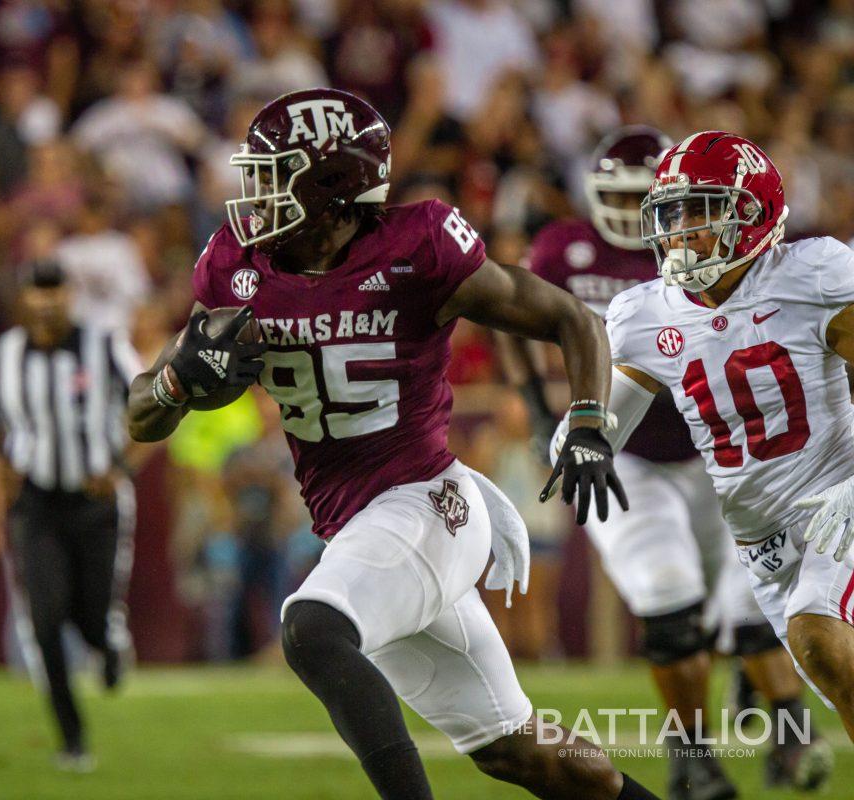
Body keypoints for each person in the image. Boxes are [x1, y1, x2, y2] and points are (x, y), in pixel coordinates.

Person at [128, 87, 659, 800]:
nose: (252, 191)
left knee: (313, 628)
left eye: (273, 171)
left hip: (427, 502)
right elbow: (140, 413)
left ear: (331, 184)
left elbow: (572, 320)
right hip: (361, 528)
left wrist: (590, 423)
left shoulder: (420, 246)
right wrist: (173, 383)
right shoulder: (237, 266)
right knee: (521, 753)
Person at [508, 127, 828, 796]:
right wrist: (570, 427)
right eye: (671, 211)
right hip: (649, 466)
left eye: (700, 211)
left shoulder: (805, 273)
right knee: (672, 598)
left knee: (756, 614)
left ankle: (787, 730)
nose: (679, 230)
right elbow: (603, 395)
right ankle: (694, 757)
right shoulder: (630, 295)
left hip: (738, 467)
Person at [0, 259, 140, 771]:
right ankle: (72, 738)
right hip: (36, 502)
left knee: (89, 615)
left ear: (69, 295)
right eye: (36, 292)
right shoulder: (6, 353)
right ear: (24, 299)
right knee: (44, 620)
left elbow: (151, 400)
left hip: (95, 500)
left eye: (54, 291)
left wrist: (121, 465)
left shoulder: (104, 344)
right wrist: (1, 469)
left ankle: (107, 644)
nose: (46, 302)